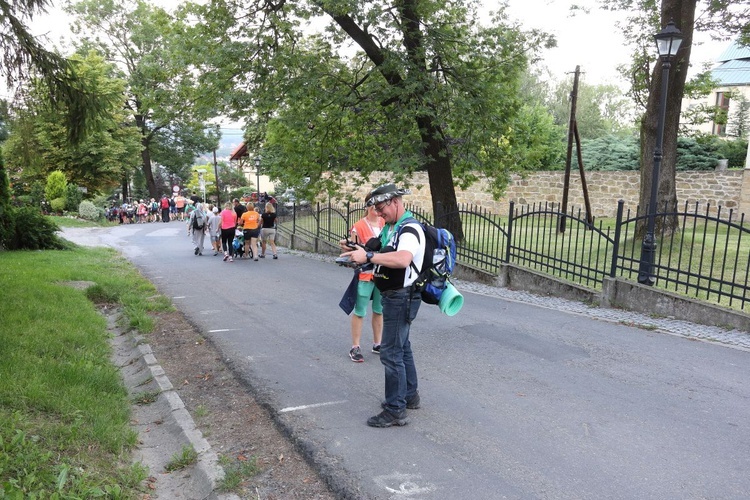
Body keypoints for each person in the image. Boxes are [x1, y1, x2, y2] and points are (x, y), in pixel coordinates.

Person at [341, 183, 425, 428]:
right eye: (375, 209)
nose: (378, 213)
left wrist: (368, 257)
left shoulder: (409, 229)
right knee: (402, 346)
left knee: (390, 352)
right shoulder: (391, 228)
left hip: (402, 295)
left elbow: (402, 259)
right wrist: (356, 251)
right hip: (393, 294)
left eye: (381, 207)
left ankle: (395, 409)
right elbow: (375, 252)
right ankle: (409, 396)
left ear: (395, 202)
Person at [340, 204, 384, 362]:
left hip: (383, 273)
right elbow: (351, 251)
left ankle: (377, 343)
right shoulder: (358, 226)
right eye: (372, 205)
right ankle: (355, 346)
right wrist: (346, 248)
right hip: (365, 273)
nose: (376, 208)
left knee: (379, 310)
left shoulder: (384, 223)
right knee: (360, 310)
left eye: (378, 205)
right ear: (367, 206)